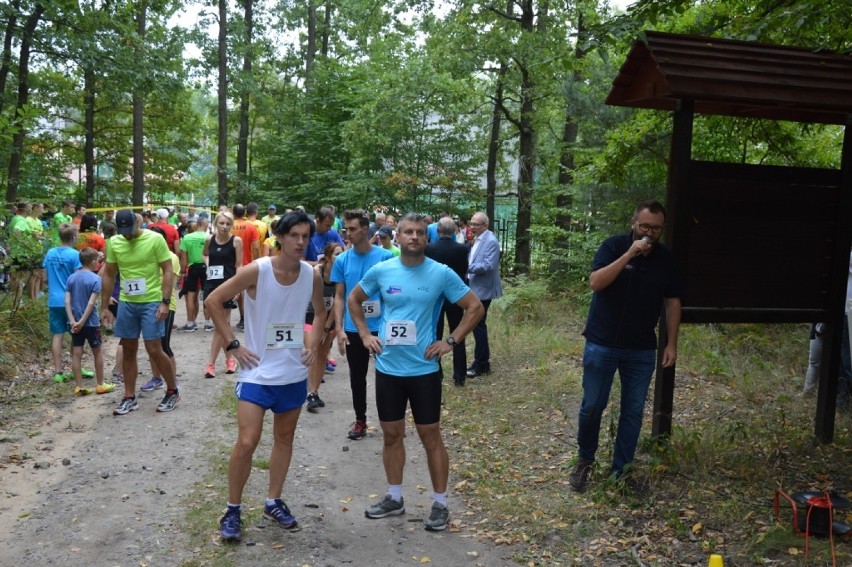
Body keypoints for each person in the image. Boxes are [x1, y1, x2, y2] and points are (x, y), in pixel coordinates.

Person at [349, 212, 483, 532]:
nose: (414, 237)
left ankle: (440, 503)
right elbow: (354, 300)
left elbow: (475, 307)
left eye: (420, 233)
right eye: (408, 232)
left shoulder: (441, 273)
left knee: (430, 436)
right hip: (388, 369)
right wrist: (366, 335)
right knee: (392, 436)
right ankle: (395, 498)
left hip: (424, 369)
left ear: (428, 238)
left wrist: (450, 340)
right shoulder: (382, 271)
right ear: (397, 235)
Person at [207, 211, 326, 543]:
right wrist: (233, 345)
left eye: (306, 236)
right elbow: (213, 301)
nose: (301, 242)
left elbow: (320, 311)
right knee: (247, 442)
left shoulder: (311, 275)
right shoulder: (257, 271)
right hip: (257, 373)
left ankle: (273, 502)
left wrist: (313, 344)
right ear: (280, 237)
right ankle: (232, 510)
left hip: (292, 374)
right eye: (294, 236)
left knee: (284, 440)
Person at [569, 200, 683, 492]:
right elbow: (596, 282)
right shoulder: (613, 246)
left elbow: (672, 302)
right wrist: (630, 254)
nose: (650, 232)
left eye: (656, 228)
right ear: (634, 223)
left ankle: (622, 471)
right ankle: (585, 461)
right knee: (593, 405)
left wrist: (671, 343)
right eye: (645, 226)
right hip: (602, 342)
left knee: (632, 411)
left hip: (642, 348)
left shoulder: (665, 258)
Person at [100, 210, 181, 416]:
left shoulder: (154, 239)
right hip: (128, 302)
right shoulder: (115, 242)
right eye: (123, 231)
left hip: (151, 301)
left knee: (154, 349)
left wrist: (165, 301)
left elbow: (168, 269)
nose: (127, 235)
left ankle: (172, 390)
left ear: (138, 222)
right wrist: (104, 306)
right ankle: (129, 397)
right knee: (128, 349)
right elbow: (109, 274)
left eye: (130, 230)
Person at [331, 209, 395, 440]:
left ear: (365, 230)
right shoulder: (342, 260)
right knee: (357, 377)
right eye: (346, 229)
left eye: (352, 229)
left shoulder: (385, 258)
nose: (347, 233)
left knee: (388, 376)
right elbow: (340, 296)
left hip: (381, 327)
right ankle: (360, 421)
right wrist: (338, 328)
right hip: (353, 328)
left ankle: (392, 422)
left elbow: (393, 294)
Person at [43, 223, 93, 383]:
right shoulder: (74, 255)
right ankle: (75, 368)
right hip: (71, 301)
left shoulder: (50, 253)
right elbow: (79, 279)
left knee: (57, 335)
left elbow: (44, 277)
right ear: (73, 237)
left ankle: (58, 372)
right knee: (76, 334)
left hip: (53, 300)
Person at [425, 217, 470, 386]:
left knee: (434, 334)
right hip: (455, 297)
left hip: (435, 297)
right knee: (457, 334)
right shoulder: (462, 249)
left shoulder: (429, 249)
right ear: (454, 232)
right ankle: (460, 376)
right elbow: (465, 271)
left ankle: (436, 372)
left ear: (438, 231)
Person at [64, 247, 115, 396]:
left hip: (73, 322)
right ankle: (100, 384)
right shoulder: (95, 279)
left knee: (76, 353)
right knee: (97, 351)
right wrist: (82, 321)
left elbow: (67, 300)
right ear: (93, 262)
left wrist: (73, 321)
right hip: (90, 323)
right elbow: (91, 303)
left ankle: (79, 386)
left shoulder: (71, 277)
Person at [140, 227, 180, 393]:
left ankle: (172, 379)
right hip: (147, 303)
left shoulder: (171, 257)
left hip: (166, 304)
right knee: (151, 344)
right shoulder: (147, 256)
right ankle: (156, 378)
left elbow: (169, 279)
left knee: (164, 345)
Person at [203, 211, 243, 376]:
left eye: (228, 224)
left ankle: (211, 364)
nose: (225, 227)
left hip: (228, 284)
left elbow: (239, 265)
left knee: (220, 326)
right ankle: (230, 359)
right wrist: (208, 266)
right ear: (216, 224)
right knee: (222, 325)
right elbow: (205, 254)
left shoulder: (236, 241)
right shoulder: (209, 240)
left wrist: (239, 287)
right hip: (212, 284)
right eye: (222, 223)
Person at [305, 242, 344, 412]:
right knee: (311, 350)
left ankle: (313, 393)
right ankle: (305, 390)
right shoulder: (316, 273)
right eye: (337, 254)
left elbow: (337, 301)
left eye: (342, 253)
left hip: (328, 318)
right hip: (309, 316)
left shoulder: (340, 274)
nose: (340, 257)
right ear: (328, 257)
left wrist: (327, 327)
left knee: (322, 354)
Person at [465, 212, 503, 378]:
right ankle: (481, 362)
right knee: (477, 325)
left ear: (485, 225)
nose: (472, 227)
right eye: (471, 223)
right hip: (475, 287)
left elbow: (488, 266)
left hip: (483, 290)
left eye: (476, 224)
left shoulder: (491, 241)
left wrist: (466, 268)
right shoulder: (479, 238)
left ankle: (482, 364)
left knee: (478, 325)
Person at [230, 203, 260, 330]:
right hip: (247, 263)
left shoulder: (229, 226)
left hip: (230, 263)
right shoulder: (251, 227)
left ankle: (234, 318)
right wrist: (257, 261)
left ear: (233, 212)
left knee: (232, 291)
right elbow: (256, 246)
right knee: (248, 292)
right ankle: (247, 318)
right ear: (245, 213)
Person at [178, 216, 209, 331]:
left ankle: (190, 323)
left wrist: (182, 271)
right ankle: (207, 323)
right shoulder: (209, 237)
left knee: (190, 297)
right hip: (206, 267)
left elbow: (183, 258)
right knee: (207, 295)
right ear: (205, 225)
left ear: (197, 225)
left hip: (193, 268)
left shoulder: (186, 238)